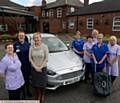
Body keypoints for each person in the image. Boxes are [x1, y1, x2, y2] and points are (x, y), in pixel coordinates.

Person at [29, 32, 48, 102]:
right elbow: (30, 58)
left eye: (37, 37)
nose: (36, 39)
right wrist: (36, 67)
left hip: (43, 68)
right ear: (33, 39)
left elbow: (46, 58)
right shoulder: (31, 47)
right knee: (36, 84)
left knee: (42, 84)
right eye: (35, 38)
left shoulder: (45, 46)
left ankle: (42, 95)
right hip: (34, 69)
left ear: (40, 38)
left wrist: (40, 67)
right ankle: (38, 95)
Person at [14, 30, 31, 98]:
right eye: (20, 36)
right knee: (21, 80)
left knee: (27, 80)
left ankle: (28, 91)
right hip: (19, 67)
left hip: (27, 66)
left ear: (24, 37)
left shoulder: (28, 44)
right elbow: (12, 55)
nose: (21, 37)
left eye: (22, 36)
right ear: (18, 37)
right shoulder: (15, 45)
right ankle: (23, 93)